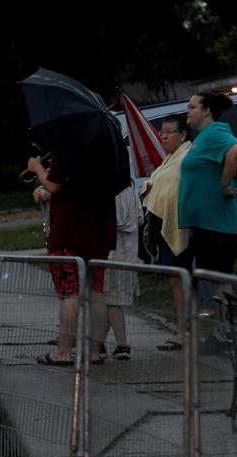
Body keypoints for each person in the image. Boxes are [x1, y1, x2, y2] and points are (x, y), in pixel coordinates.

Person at [26, 147, 118, 366]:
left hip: (70, 232)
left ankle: (64, 352)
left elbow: (55, 183)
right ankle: (94, 352)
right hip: (99, 230)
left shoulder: (68, 145)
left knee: (69, 293)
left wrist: (37, 168)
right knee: (97, 293)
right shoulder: (107, 149)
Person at [142, 116, 193, 351]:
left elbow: (175, 189)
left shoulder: (185, 157)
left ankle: (185, 331)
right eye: (162, 132)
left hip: (178, 227)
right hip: (164, 225)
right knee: (175, 281)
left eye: (169, 132)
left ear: (182, 135)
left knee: (180, 280)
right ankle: (183, 328)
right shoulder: (170, 159)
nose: (163, 136)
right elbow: (160, 184)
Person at [179, 92, 237, 274]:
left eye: (192, 107)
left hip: (216, 225)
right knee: (211, 279)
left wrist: (224, 185)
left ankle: (226, 304)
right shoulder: (203, 136)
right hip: (204, 224)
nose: (187, 111)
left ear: (207, 111)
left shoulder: (215, 131)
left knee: (220, 280)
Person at [103, 180, 142, 360]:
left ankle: (122, 344)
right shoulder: (131, 188)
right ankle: (98, 341)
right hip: (127, 252)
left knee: (110, 299)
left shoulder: (115, 191)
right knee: (108, 301)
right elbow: (140, 218)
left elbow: (117, 219)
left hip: (114, 252)